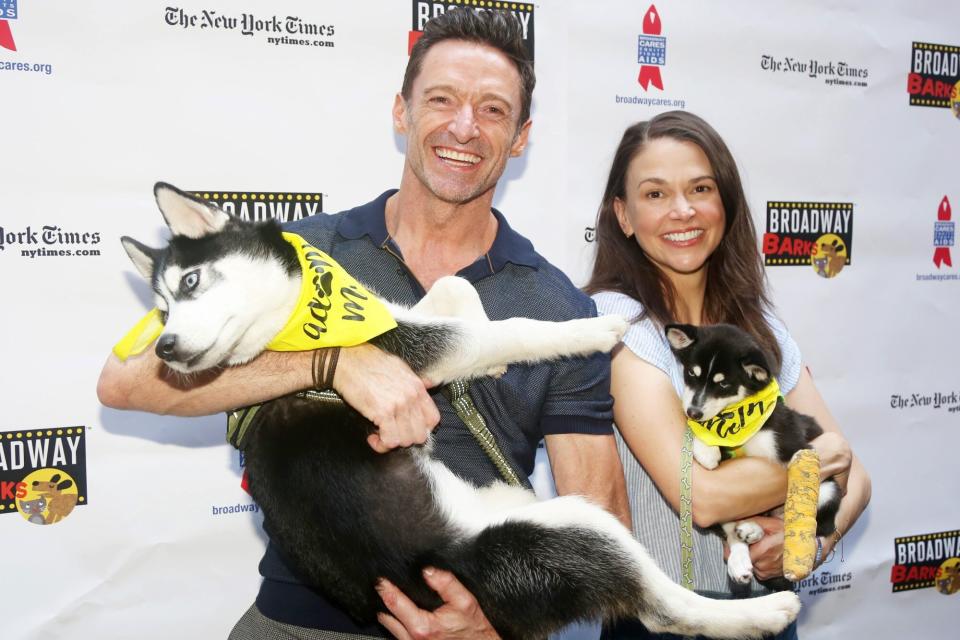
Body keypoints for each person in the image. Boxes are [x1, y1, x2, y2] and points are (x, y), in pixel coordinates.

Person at [97, 10, 630, 640]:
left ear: (520, 138)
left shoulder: (555, 302)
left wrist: (506, 622)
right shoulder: (298, 257)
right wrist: (331, 362)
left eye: (492, 110)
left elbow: (602, 517)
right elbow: (125, 383)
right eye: (441, 99)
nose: (464, 126)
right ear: (402, 112)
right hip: (299, 620)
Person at [585, 111, 871, 639]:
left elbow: (858, 481)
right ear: (622, 215)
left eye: (700, 187)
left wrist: (805, 540)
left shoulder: (760, 331)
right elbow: (703, 495)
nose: (682, 210)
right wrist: (817, 463)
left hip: (770, 613)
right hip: (665, 621)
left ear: (726, 204)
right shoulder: (616, 325)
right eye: (655, 194)